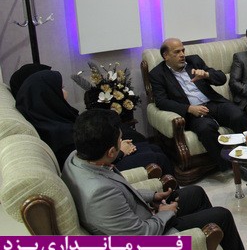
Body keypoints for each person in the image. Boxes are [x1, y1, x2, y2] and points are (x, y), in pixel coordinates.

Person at [61, 109, 247, 250]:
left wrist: (152, 196)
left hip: (139, 216)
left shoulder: (77, 158)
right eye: (119, 140)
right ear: (110, 152)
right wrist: (164, 213)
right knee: (221, 216)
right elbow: (140, 237)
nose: (122, 141)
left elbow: (120, 192)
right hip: (150, 239)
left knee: (196, 193)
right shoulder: (99, 193)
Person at [14, 68, 173, 175]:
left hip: (103, 161)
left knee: (152, 148)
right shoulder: (56, 134)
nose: (66, 92)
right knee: (157, 157)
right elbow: (85, 163)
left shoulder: (52, 119)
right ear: (49, 96)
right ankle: (173, 200)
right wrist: (119, 152)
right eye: (61, 88)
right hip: (99, 171)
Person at [148, 38, 247, 180]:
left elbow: (222, 79)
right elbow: (161, 102)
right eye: (177, 52)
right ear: (166, 56)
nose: (182, 54)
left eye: (183, 50)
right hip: (193, 112)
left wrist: (206, 75)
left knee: (237, 115)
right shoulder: (157, 74)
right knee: (205, 129)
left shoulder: (194, 61)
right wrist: (188, 108)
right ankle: (233, 166)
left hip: (213, 102)